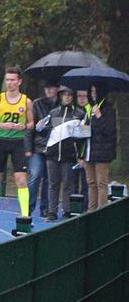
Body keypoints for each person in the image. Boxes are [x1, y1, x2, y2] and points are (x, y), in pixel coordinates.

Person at [0, 67, 34, 226]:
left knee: (21, 180)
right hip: (1, 141)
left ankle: (25, 216)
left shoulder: (26, 101)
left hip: (18, 143)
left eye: (13, 80)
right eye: (7, 80)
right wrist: (2, 125)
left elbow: (32, 124)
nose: (10, 83)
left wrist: (23, 126)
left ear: (19, 81)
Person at [40, 85, 85, 221]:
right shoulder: (53, 113)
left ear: (73, 97)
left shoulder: (79, 114)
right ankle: (52, 212)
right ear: (60, 96)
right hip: (52, 154)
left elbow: (83, 137)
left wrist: (80, 155)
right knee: (53, 184)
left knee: (68, 184)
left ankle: (67, 210)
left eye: (70, 95)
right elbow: (45, 131)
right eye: (64, 95)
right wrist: (42, 128)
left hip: (69, 155)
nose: (67, 97)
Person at [81, 82, 118, 210]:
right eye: (91, 92)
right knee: (91, 183)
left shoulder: (108, 109)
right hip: (89, 151)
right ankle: (91, 210)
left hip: (103, 152)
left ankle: (101, 211)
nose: (93, 94)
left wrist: (99, 116)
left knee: (101, 183)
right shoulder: (89, 108)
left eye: (95, 91)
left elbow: (109, 131)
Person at [28, 81, 58, 218]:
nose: (48, 90)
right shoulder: (37, 103)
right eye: (46, 87)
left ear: (57, 89)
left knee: (49, 179)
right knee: (35, 175)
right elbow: (31, 126)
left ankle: (45, 208)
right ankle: (28, 207)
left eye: (51, 87)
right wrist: (28, 148)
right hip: (38, 147)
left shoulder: (62, 106)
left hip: (54, 147)